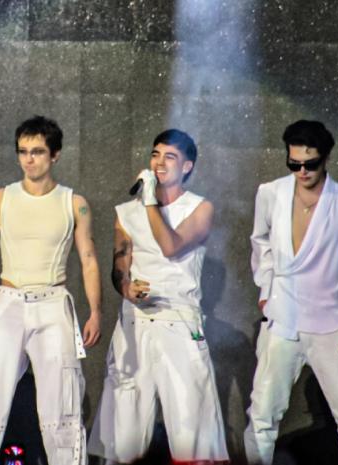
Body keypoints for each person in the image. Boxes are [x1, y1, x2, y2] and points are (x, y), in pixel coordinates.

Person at [0, 115, 102, 465]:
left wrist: (95, 311)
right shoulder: (2, 198)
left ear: (55, 155)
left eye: (37, 151)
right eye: (23, 151)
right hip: (9, 303)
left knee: (61, 409)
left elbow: (88, 259)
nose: (29, 159)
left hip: (53, 305)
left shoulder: (74, 202)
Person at [88, 129, 230, 464]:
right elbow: (119, 266)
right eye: (155, 154)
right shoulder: (127, 212)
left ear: (187, 166)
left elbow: (170, 246)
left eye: (170, 157)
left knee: (191, 429)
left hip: (179, 322)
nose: (159, 163)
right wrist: (127, 289)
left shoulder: (200, 208)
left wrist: (150, 200)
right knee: (125, 430)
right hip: (135, 324)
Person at [244, 120, 338, 465]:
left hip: (333, 323)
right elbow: (260, 242)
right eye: (294, 163)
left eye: (310, 164)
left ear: (326, 158)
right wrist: (266, 287)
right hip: (282, 318)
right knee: (262, 416)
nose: (302, 171)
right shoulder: (270, 193)